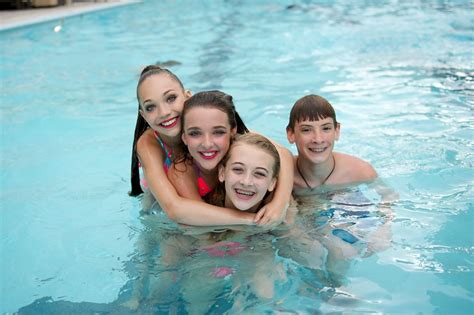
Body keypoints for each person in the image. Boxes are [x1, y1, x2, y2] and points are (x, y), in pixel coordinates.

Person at [129, 65, 287, 226]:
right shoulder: (149, 143)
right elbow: (173, 208)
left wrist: (279, 204)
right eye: (150, 107)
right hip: (161, 198)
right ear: (143, 115)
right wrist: (249, 220)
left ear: (187, 97)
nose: (164, 112)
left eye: (171, 98)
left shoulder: (205, 119)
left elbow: (283, 154)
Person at [179, 133, 288, 314]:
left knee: (264, 294)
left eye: (259, 174)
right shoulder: (201, 211)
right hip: (210, 256)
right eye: (238, 170)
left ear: (272, 183)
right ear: (222, 173)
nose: (246, 182)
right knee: (196, 295)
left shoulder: (281, 216)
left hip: (256, 249)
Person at [167, 90, 293, 224]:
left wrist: (279, 204)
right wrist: (253, 221)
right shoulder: (183, 171)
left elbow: (283, 154)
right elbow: (195, 223)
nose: (207, 144)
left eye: (218, 132)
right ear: (184, 137)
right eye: (195, 133)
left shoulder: (243, 148)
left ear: (233, 131)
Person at [286, 94, 377, 196]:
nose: (318, 139)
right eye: (306, 130)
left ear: (337, 131)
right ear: (291, 134)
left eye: (326, 128)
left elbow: (388, 201)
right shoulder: (284, 176)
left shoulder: (361, 172)